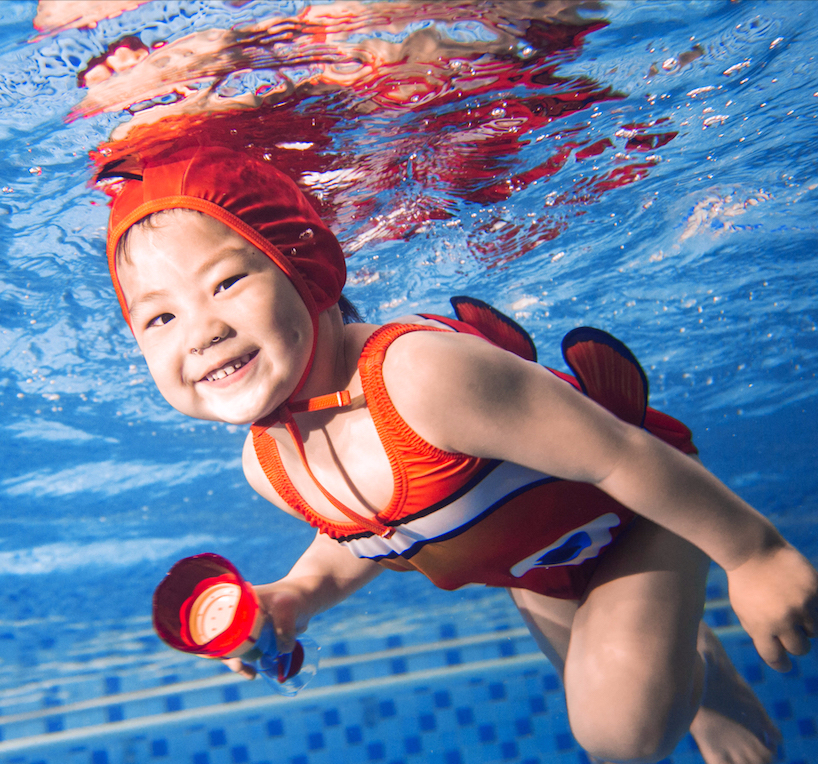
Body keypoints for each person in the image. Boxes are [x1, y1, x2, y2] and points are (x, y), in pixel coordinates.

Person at [99, 145, 817, 764]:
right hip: (536, 566)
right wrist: (298, 592)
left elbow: (618, 454)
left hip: (636, 513)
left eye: (226, 282)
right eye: (159, 317)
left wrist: (753, 553)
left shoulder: (420, 377)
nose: (199, 332)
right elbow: (365, 531)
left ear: (308, 265)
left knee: (619, 733)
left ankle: (689, 665)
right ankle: (694, 671)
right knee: (622, 701)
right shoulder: (268, 465)